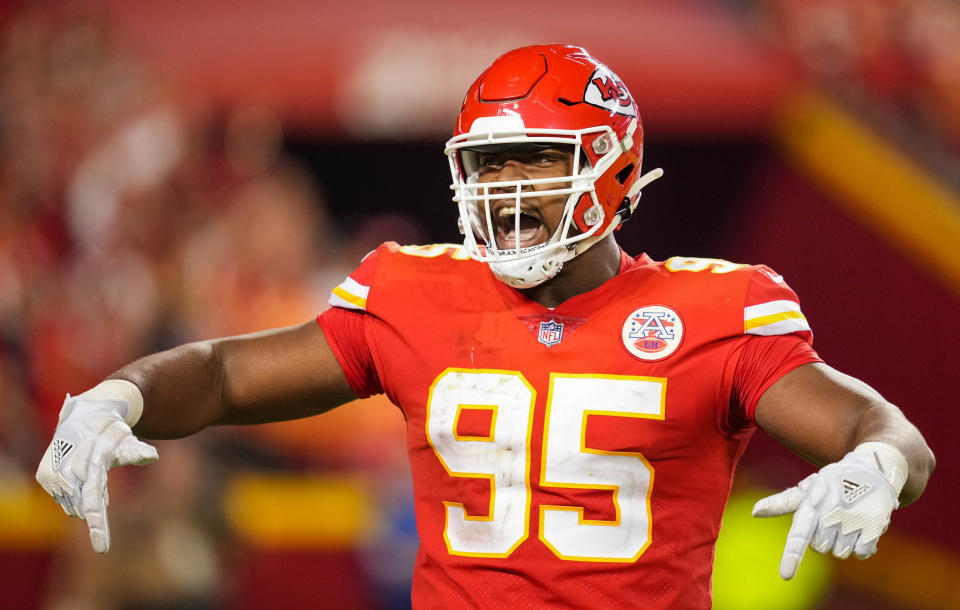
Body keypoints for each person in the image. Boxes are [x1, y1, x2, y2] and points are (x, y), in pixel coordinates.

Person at [36, 44, 934, 609]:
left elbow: (875, 427)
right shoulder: (414, 290)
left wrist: (879, 463)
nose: (506, 188)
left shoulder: (714, 309)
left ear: (611, 168)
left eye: (535, 162)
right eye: (488, 164)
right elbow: (230, 375)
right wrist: (123, 393)